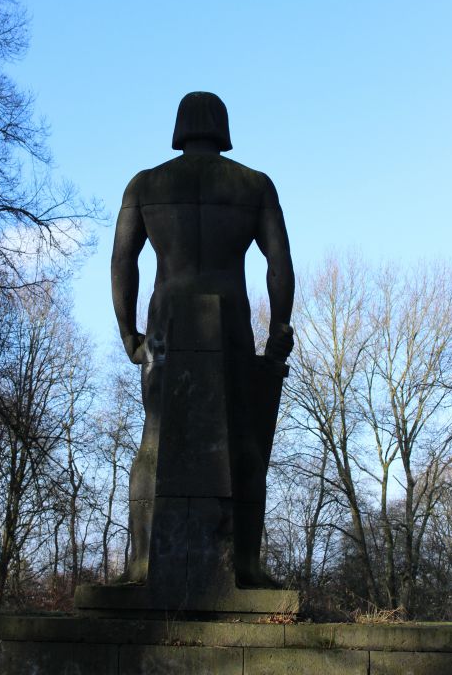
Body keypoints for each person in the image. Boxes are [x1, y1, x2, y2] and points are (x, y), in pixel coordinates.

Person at [111, 92, 294, 587]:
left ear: (180, 127)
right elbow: (279, 262)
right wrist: (278, 329)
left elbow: (122, 261)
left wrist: (129, 333)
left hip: (166, 324)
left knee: (153, 438)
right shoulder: (253, 185)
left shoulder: (145, 185)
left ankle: (142, 564)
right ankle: (246, 565)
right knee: (243, 439)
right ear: (222, 127)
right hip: (229, 320)